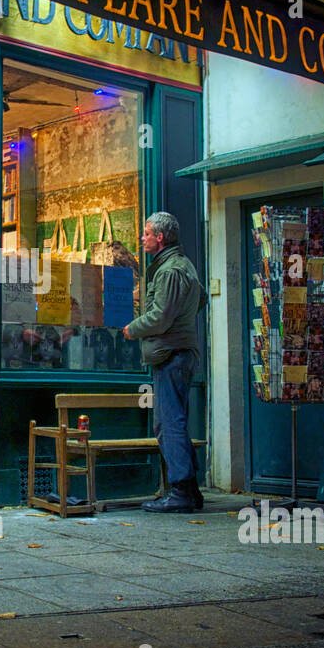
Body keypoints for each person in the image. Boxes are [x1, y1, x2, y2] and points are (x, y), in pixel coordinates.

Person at [123, 211, 206, 513]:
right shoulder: (183, 265)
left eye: (146, 233)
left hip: (171, 354)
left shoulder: (169, 270)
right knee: (176, 422)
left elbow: (160, 317)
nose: (142, 238)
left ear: (160, 237)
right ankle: (190, 491)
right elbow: (201, 300)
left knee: (168, 423)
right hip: (179, 351)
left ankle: (181, 492)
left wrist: (134, 328)